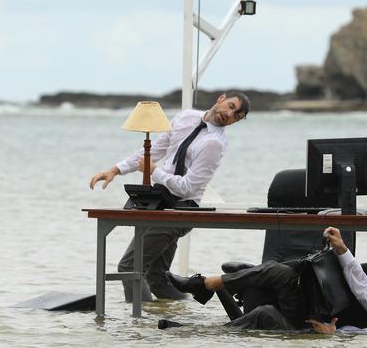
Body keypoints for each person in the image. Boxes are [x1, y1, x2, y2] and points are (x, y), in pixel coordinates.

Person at [89, 92, 250, 302]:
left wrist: (154, 172)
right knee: (157, 278)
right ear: (221, 98)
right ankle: (181, 316)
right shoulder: (186, 117)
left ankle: (139, 326)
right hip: (160, 201)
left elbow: (188, 187)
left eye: (236, 116)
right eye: (230, 106)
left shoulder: (215, 144)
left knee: (129, 266)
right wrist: (116, 170)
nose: (228, 114)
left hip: (184, 208)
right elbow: (155, 150)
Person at [167, 227, 367, 335]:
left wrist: (332, 337)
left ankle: (195, 332)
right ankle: (208, 283)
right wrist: (342, 250)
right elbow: (364, 289)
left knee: (265, 314)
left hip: (313, 335)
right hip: (313, 316)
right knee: (282, 272)